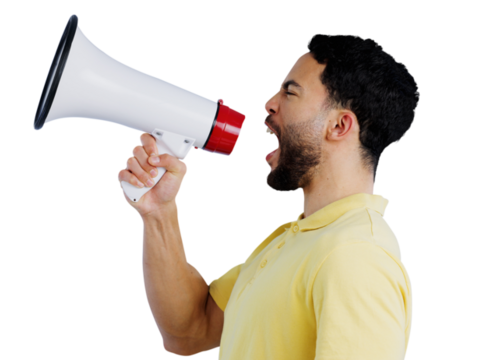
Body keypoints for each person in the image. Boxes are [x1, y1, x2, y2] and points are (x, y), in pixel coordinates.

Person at [119, 33, 419, 359]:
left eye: (290, 92)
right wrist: (159, 212)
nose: (268, 104)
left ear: (339, 126)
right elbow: (190, 331)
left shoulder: (357, 256)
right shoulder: (298, 241)